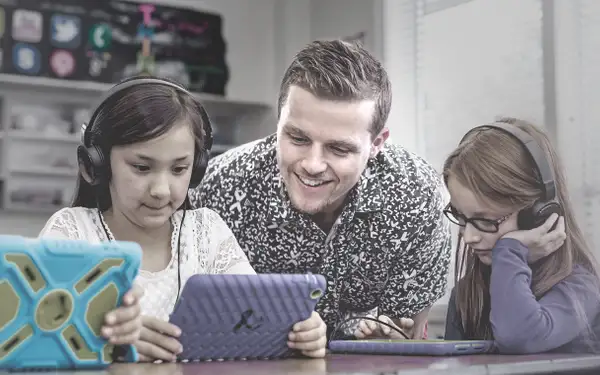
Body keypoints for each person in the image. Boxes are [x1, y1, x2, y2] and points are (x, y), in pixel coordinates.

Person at [38, 77, 327, 361]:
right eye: (141, 167)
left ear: (197, 168)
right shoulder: (72, 233)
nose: (161, 190)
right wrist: (102, 342)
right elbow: (35, 334)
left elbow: (255, 318)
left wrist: (299, 333)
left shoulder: (207, 233)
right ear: (96, 164)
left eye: (179, 169)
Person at [189, 40, 452, 339]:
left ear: (377, 144)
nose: (312, 165)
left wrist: (388, 337)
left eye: (339, 148)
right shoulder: (217, 189)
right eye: (298, 139)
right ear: (278, 125)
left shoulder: (416, 198)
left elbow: (408, 338)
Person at [440, 117, 600, 353]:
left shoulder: (580, 288)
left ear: (537, 214)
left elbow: (520, 336)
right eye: (462, 218)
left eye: (485, 220)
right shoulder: (467, 295)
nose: (469, 236)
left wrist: (511, 249)